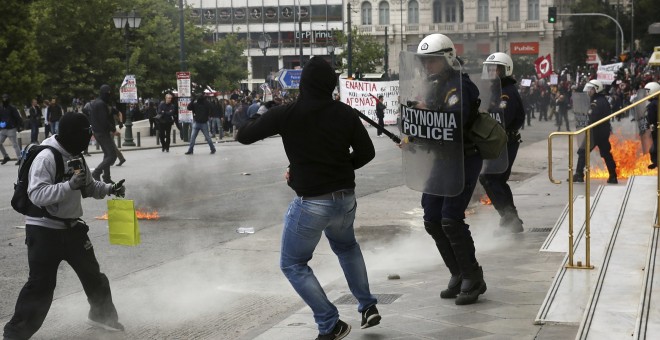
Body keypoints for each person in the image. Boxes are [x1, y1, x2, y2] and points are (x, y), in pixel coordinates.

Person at [236, 56, 381, 340]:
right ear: (331, 84)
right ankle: (368, 306)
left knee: (293, 264)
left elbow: (244, 135)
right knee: (347, 248)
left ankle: (330, 322)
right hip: (345, 198)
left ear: (303, 84)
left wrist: (261, 109)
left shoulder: (287, 113)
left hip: (313, 201)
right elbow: (367, 153)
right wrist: (338, 168)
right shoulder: (344, 112)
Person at [3, 112, 127, 340]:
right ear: (71, 135)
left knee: (93, 276)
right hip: (44, 230)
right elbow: (37, 194)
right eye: (84, 135)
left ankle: (102, 316)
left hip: (72, 228)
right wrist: (68, 185)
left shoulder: (76, 155)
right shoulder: (47, 157)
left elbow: (88, 187)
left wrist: (110, 189)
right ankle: (15, 334)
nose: (88, 139)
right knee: (41, 285)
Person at [411, 34, 487, 305]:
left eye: (432, 60)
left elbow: (453, 123)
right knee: (432, 217)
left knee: (451, 218)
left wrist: (426, 113)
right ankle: (457, 272)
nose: (428, 66)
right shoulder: (434, 87)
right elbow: (432, 129)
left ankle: (472, 276)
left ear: (448, 58)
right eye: (425, 61)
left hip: (464, 159)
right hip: (443, 160)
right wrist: (413, 135)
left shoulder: (460, 87)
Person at [478, 52, 526, 234]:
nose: (491, 71)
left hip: (505, 142)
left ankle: (509, 218)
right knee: (497, 179)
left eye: (495, 68)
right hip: (498, 142)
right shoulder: (495, 90)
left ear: (505, 70)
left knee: (491, 178)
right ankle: (511, 218)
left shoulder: (506, 93)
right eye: (489, 68)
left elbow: (503, 117)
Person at [573, 79, 617, 184]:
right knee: (606, 153)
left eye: (590, 89)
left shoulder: (596, 102)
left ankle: (579, 175)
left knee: (582, 152)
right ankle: (613, 176)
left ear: (596, 89)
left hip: (595, 132)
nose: (589, 91)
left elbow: (593, 117)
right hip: (603, 131)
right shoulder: (603, 100)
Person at [90, 85, 118, 184]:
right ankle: (96, 172)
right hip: (102, 133)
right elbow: (104, 120)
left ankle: (106, 177)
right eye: (108, 94)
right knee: (112, 155)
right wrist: (113, 129)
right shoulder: (101, 104)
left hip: (98, 132)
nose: (109, 96)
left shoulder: (96, 102)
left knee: (107, 154)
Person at [0, 93, 24, 165]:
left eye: (6, 98)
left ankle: (19, 158)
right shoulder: (1, 108)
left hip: (11, 128)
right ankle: (6, 156)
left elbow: (18, 117)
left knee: (14, 144)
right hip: (3, 129)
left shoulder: (12, 108)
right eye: (3, 98)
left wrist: (20, 126)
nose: (4, 100)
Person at [644, 82, 660, 169]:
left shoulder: (652, 105)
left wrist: (648, 125)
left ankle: (656, 163)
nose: (646, 94)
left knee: (654, 150)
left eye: (648, 91)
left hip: (657, 130)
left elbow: (652, 119)